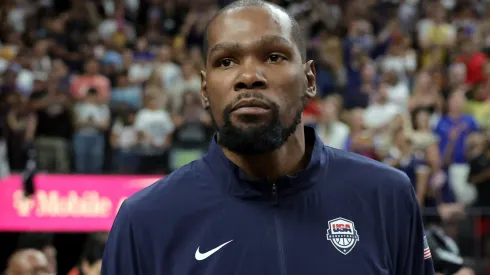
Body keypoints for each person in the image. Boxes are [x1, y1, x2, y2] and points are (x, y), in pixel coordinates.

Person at [101, 1, 435, 274]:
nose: (248, 76)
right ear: (205, 90)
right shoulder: (144, 220)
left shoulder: (387, 196)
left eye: (274, 56)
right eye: (227, 61)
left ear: (309, 79)